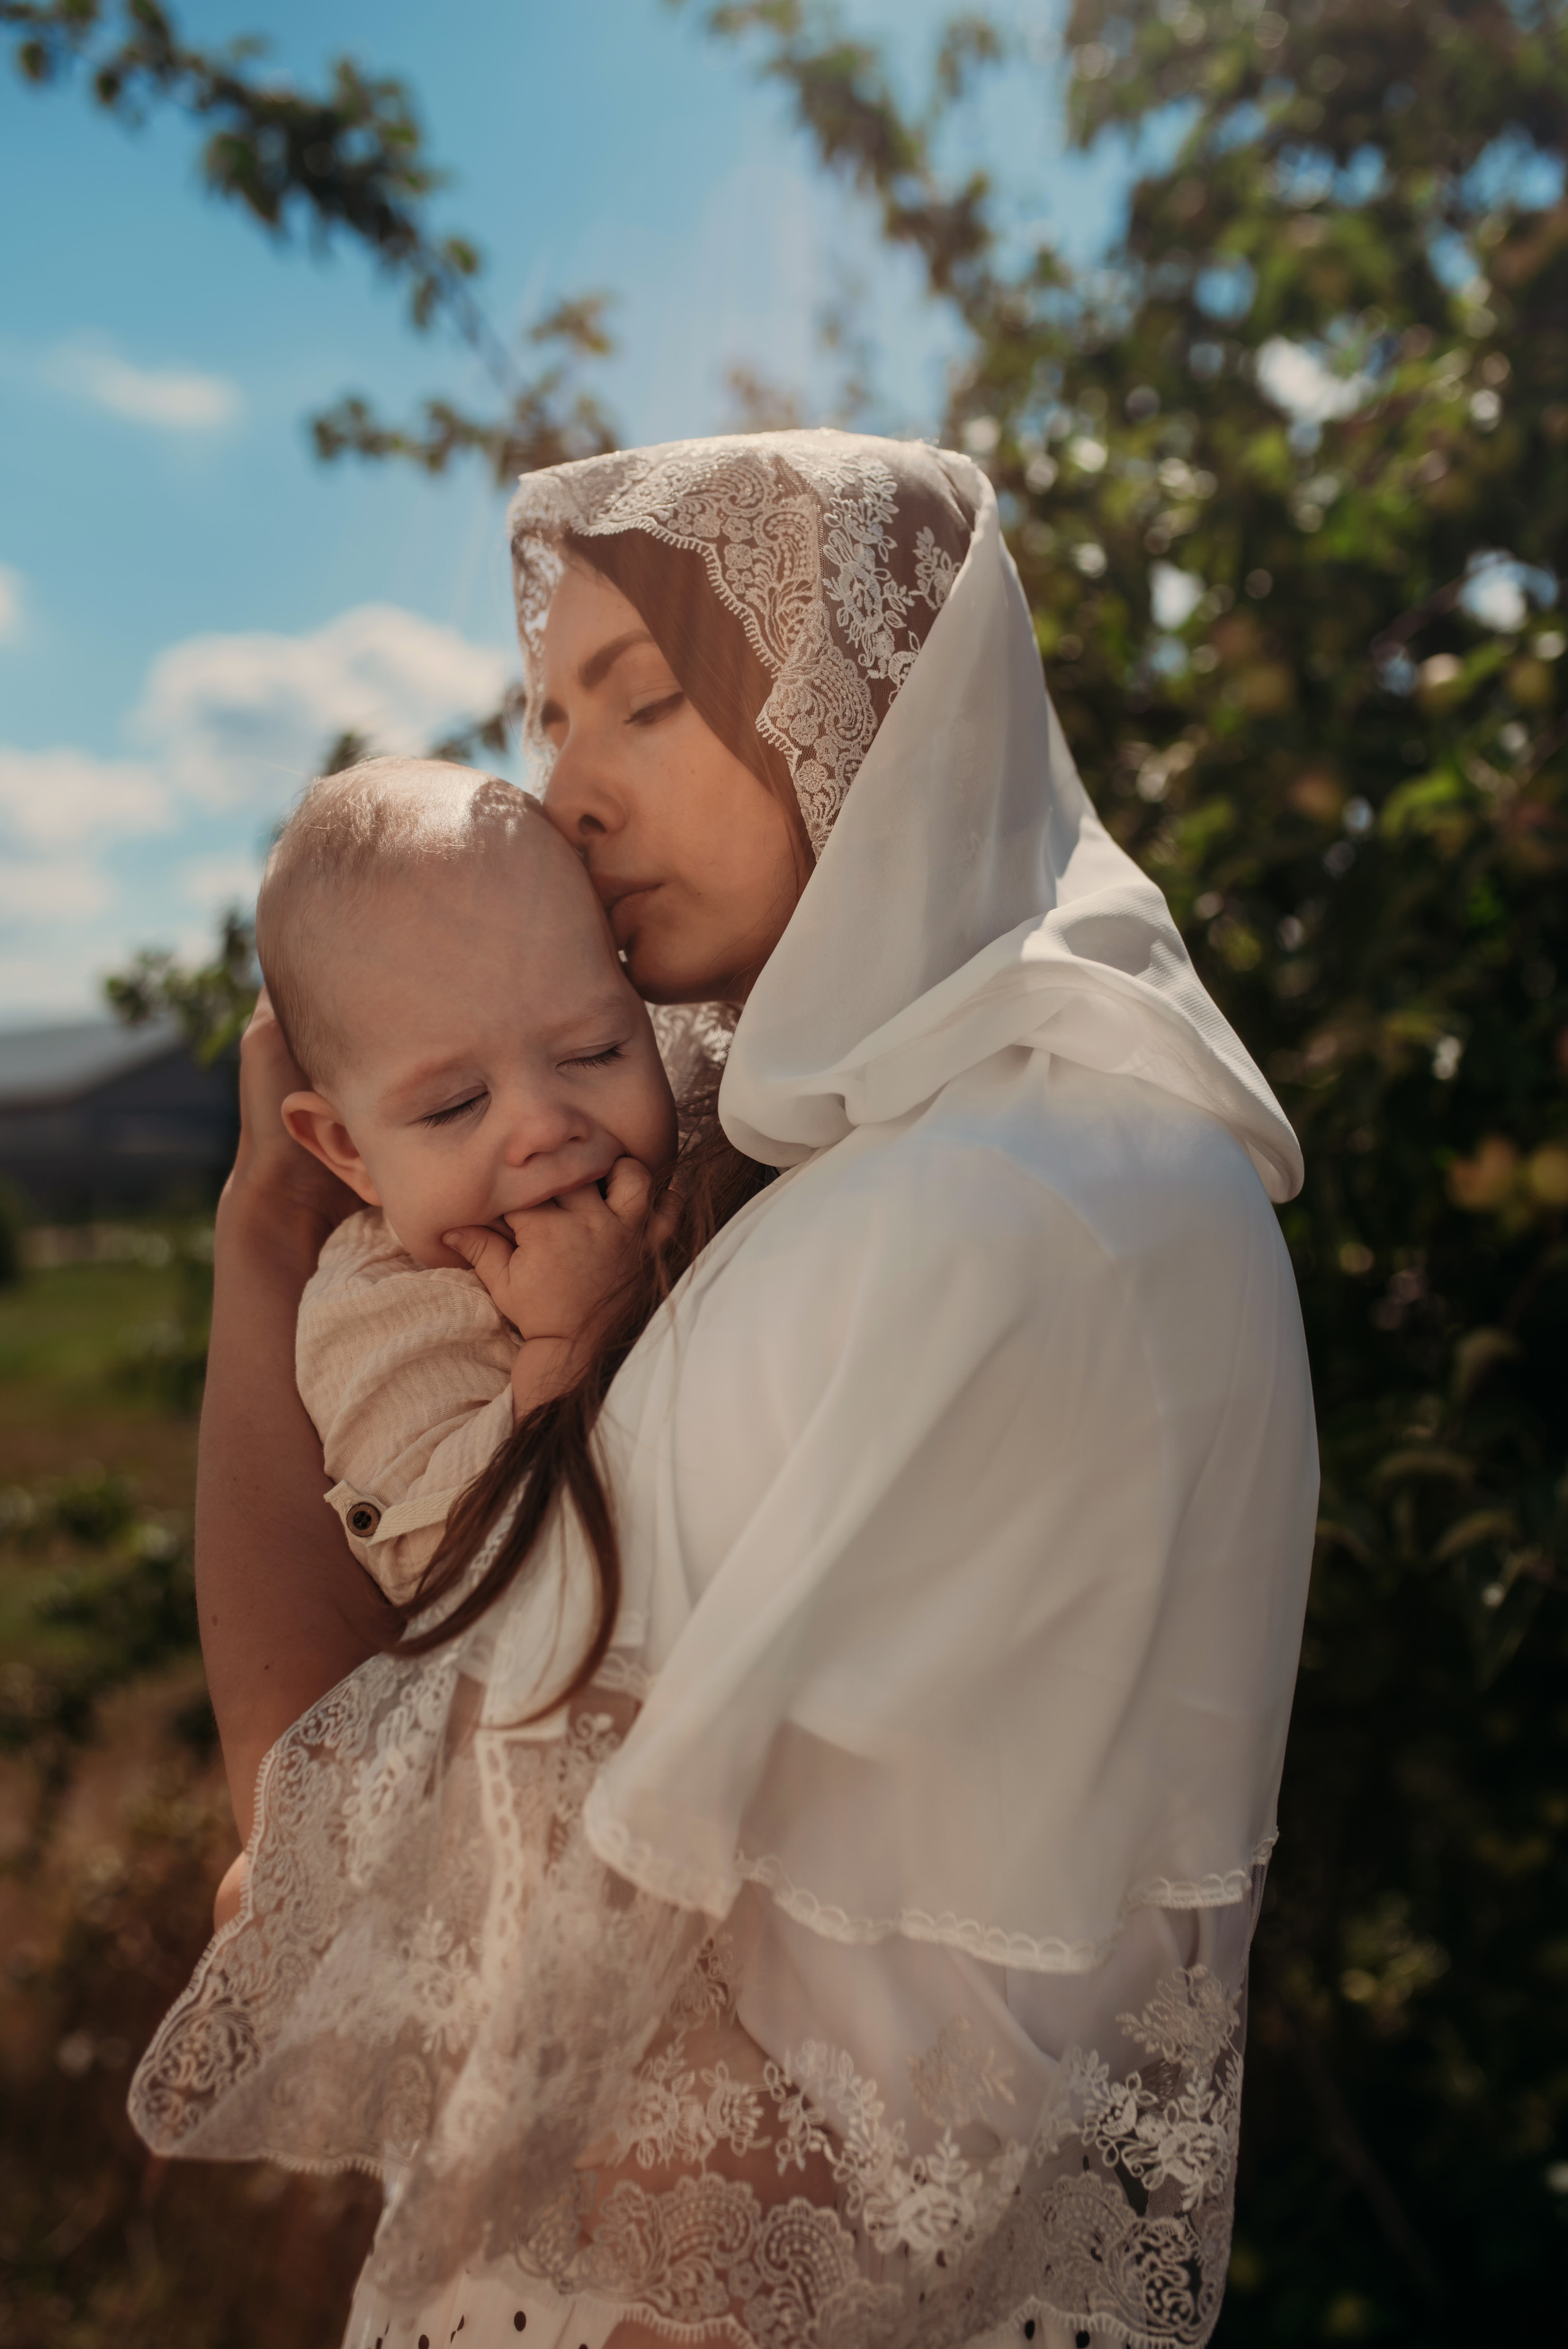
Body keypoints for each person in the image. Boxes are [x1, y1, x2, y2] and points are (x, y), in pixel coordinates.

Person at [131, 430, 1318, 2349]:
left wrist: (264, 1241)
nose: (567, 791)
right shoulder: (934, 1148)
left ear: (876, 701)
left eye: (644, 700)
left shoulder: (972, 1213)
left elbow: (334, 1867)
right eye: (550, 716)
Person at [257, 756, 679, 1610]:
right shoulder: (382, 1308)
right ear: (347, 1151)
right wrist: (568, 1343)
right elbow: (425, 1557)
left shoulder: (694, 1158)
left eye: (596, 1053)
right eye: (456, 1105)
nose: (544, 1128)